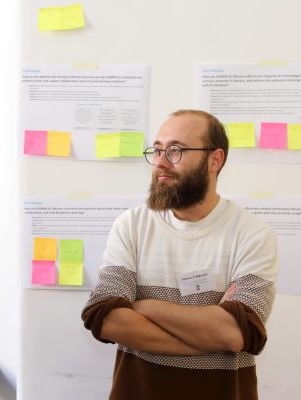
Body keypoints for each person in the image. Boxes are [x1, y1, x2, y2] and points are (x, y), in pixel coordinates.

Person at [81, 109, 278, 400]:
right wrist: (209, 335)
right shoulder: (132, 226)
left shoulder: (251, 234)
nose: (160, 162)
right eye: (157, 150)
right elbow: (105, 317)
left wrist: (144, 306)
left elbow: (237, 332)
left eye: (175, 150)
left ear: (215, 160)